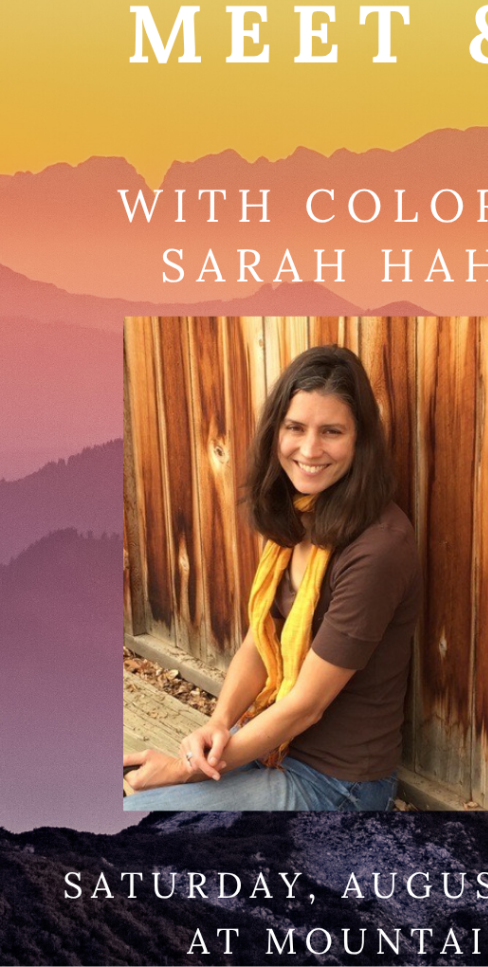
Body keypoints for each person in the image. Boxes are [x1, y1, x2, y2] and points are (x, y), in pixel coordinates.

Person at [123, 346, 421, 811]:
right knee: (124, 790)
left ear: (361, 441)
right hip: (270, 743)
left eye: (332, 431)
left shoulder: (380, 548)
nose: (309, 450)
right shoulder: (299, 511)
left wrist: (183, 769)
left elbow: (306, 706)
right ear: (275, 431)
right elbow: (260, 642)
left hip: (337, 785)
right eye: (295, 428)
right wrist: (218, 723)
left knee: (134, 812)